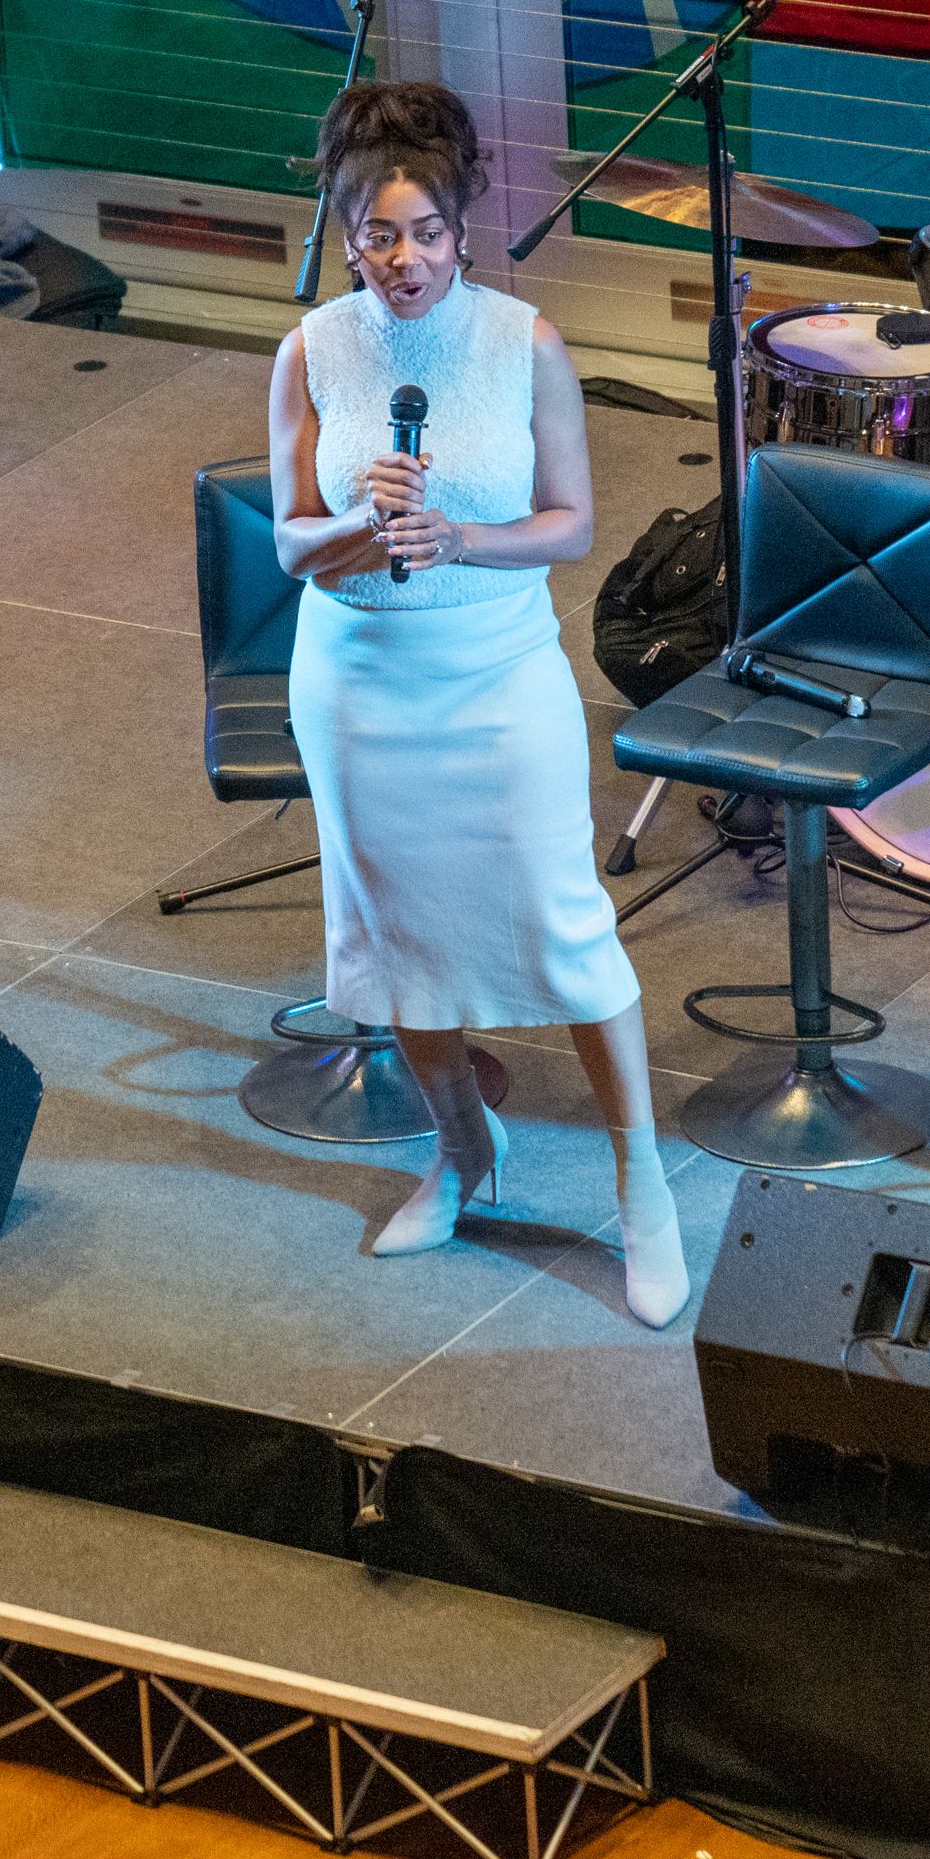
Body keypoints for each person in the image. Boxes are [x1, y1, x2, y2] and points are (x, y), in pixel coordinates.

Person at [265, 80, 688, 1328]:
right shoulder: (310, 350)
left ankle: (642, 1183)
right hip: (354, 678)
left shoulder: (525, 342)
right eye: (380, 235)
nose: (406, 260)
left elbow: (572, 524)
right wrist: (362, 522)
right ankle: (462, 1151)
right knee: (398, 947)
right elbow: (290, 545)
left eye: (429, 233)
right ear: (348, 232)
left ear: (463, 228)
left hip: (498, 673)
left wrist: (457, 536)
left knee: (567, 925)